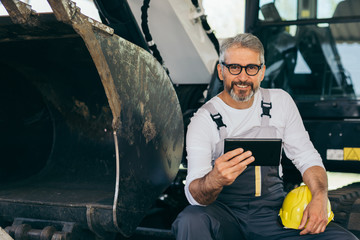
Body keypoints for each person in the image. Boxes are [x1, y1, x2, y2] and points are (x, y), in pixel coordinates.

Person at [171, 33, 358, 240]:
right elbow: (194, 195)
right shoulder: (203, 120)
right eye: (234, 67)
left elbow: (307, 157)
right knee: (190, 219)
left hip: (272, 215)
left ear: (262, 72)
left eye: (251, 68)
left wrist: (320, 196)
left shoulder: (280, 102)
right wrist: (215, 179)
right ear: (221, 71)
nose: (243, 77)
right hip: (225, 215)